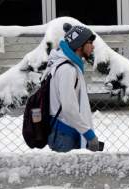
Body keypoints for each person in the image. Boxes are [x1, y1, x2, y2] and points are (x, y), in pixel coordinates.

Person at [46, 23, 101, 152]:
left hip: (67, 131)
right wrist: (89, 135)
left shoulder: (69, 66)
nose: (93, 47)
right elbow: (69, 108)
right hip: (63, 135)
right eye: (89, 42)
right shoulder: (67, 69)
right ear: (79, 45)